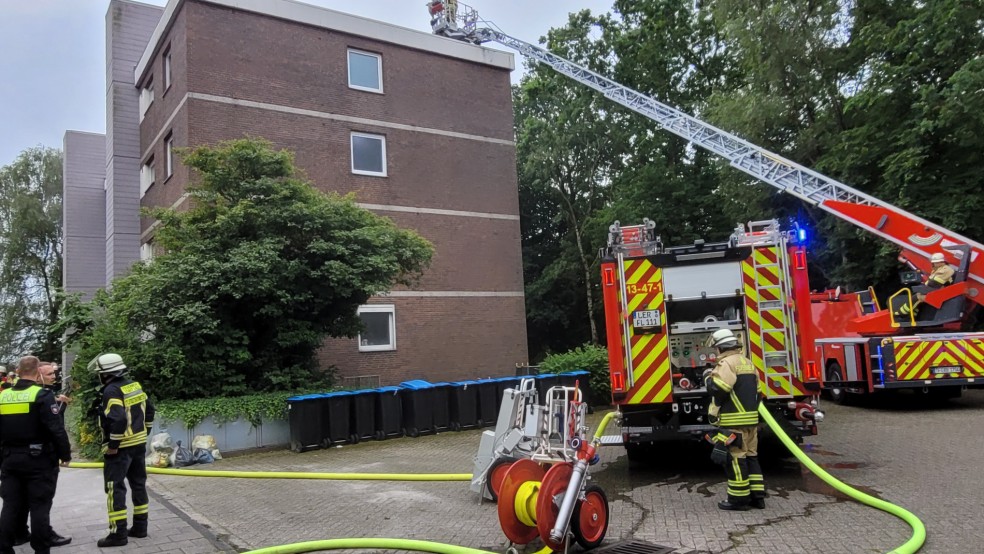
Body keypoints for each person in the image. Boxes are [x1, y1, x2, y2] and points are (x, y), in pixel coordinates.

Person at [0, 356, 72, 554]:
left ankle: (4, 549)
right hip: (38, 460)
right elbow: (56, 429)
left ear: (18, 370)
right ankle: (41, 549)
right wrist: (65, 454)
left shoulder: (3, 396)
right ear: (37, 372)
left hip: (9, 460)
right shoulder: (42, 395)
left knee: (10, 506)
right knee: (40, 506)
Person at [89, 353, 155, 547]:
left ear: (106, 373)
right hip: (138, 444)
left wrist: (113, 445)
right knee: (139, 485)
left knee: (114, 488)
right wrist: (144, 431)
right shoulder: (134, 385)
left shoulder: (111, 390)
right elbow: (150, 410)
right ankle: (140, 528)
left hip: (121, 449)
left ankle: (118, 534)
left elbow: (117, 419)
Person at [703, 329, 765, 511]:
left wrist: (708, 377)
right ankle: (757, 497)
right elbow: (759, 394)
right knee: (752, 457)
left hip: (734, 422)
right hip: (751, 421)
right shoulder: (748, 363)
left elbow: (719, 389)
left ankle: (738, 500)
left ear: (721, 347)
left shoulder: (726, 364)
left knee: (735, 459)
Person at [896, 252, 955, 318]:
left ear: (940, 262)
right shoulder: (940, 269)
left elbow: (934, 283)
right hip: (939, 291)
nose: (933, 264)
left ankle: (902, 313)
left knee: (917, 297)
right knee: (919, 295)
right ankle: (914, 315)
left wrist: (925, 286)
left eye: (935, 262)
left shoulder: (946, 270)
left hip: (941, 293)